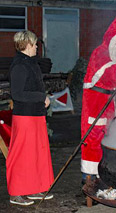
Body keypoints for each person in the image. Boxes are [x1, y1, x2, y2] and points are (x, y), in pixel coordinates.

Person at [81, 17, 116, 183]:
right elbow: (111, 75)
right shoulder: (101, 53)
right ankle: (89, 178)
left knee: (107, 138)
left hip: (108, 101)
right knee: (93, 139)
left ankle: (103, 174)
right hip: (95, 103)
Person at [6, 30, 54, 206]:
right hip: (25, 116)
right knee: (21, 155)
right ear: (26, 45)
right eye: (34, 44)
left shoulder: (31, 63)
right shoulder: (19, 65)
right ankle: (16, 193)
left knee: (35, 154)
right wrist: (41, 97)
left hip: (35, 115)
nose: (36, 47)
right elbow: (18, 94)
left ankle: (33, 187)